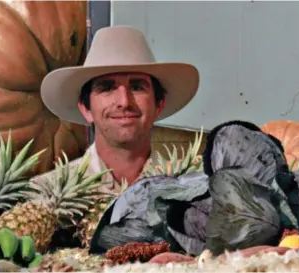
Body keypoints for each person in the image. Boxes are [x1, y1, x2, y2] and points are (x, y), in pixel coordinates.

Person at [32, 25, 200, 195]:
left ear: (159, 105)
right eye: (106, 88)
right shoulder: (46, 193)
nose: (124, 101)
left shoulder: (190, 191)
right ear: (85, 109)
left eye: (137, 87)